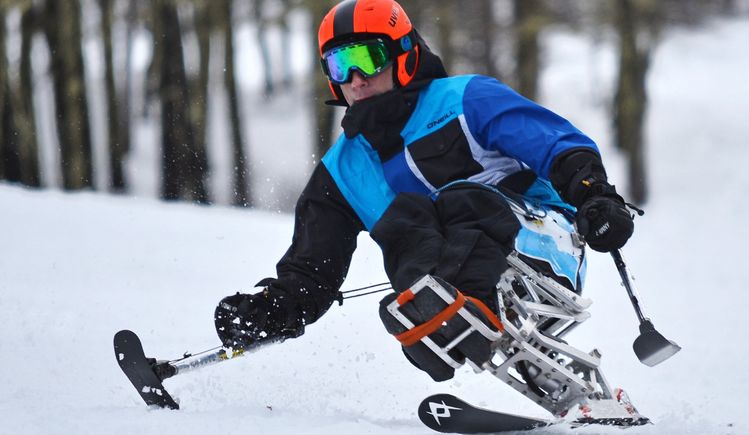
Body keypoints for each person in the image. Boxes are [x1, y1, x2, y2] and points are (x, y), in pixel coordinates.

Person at [215, 0, 634, 383]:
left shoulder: (467, 99)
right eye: (340, 65)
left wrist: (595, 195)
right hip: (457, 279)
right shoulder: (344, 171)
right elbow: (313, 270)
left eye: (367, 57)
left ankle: (469, 307)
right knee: (404, 222)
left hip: (545, 248)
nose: (356, 78)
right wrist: (271, 310)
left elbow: (557, 144)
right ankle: (439, 321)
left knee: (458, 199)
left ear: (403, 53)